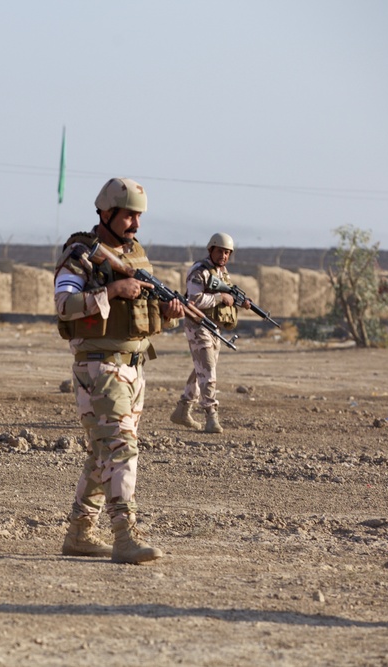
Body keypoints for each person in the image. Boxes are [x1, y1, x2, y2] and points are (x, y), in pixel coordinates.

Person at [53, 177, 183, 564]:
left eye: (139, 216)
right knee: (121, 450)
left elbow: (143, 315)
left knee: (102, 453)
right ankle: (125, 536)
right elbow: (63, 305)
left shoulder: (135, 254)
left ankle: (79, 533)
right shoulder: (80, 254)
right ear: (106, 214)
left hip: (135, 367)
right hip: (100, 369)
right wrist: (110, 291)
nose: (136, 225)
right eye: (129, 216)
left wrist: (169, 313)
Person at [170, 232, 248, 434]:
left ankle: (183, 409)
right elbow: (193, 300)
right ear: (211, 250)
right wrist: (221, 298)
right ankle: (211, 415)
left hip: (214, 327)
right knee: (209, 371)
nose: (224, 256)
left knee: (201, 370)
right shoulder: (200, 271)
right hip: (197, 325)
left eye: (227, 253)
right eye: (220, 251)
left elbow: (228, 293)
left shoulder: (222, 273)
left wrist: (240, 301)